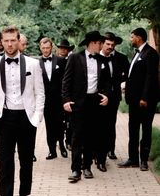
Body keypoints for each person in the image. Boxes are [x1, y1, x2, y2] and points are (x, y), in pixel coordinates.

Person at [0, 26, 44, 196]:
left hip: (27, 119)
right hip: (4, 119)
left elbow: (40, 93)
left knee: (26, 162)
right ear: (1, 42)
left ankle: (23, 195)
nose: (9, 44)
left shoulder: (33, 64)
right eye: (6, 41)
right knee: (5, 165)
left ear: (18, 41)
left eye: (13, 40)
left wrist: (36, 118)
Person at [62, 31, 111, 182]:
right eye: (100, 43)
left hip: (94, 102)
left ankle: (87, 167)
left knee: (91, 136)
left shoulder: (102, 60)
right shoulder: (75, 58)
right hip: (78, 103)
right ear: (93, 43)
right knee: (77, 136)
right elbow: (66, 81)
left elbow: (107, 82)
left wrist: (107, 95)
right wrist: (66, 100)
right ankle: (75, 169)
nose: (102, 46)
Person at [118, 27, 160, 171]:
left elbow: (151, 78)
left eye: (132, 37)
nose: (131, 39)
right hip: (134, 100)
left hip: (145, 101)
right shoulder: (137, 53)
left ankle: (143, 160)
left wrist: (144, 97)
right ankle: (133, 159)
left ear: (139, 38)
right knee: (133, 129)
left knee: (146, 129)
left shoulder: (151, 53)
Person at [100, 32, 129, 160]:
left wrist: (118, 81)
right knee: (98, 124)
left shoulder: (121, 58)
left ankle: (111, 150)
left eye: (112, 44)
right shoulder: (95, 57)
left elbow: (128, 74)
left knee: (111, 124)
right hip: (98, 96)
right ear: (102, 44)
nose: (110, 46)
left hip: (114, 96)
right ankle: (98, 151)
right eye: (108, 44)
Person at [39, 37, 67, 159]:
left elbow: (66, 80)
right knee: (49, 125)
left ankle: (62, 144)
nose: (45, 50)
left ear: (51, 47)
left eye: (48, 48)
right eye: (43, 48)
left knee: (60, 124)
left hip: (59, 99)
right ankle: (52, 150)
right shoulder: (36, 63)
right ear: (40, 48)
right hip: (45, 100)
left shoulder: (61, 61)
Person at [18, 33, 37, 162]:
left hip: (28, 109)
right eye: (23, 44)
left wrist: (38, 113)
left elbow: (38, 90)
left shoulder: (31, 63)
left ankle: (30, 153)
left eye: (25, 44)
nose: (25, 46)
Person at [57, 39, 75, 151]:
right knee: (59, 121)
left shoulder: (72, 60)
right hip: (57, 95)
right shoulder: (56, 61)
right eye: (61, 48)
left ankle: (69, 141)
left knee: (70, 121)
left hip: (69, 95)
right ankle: (60, 142)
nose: (63, 50)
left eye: (65, 48)